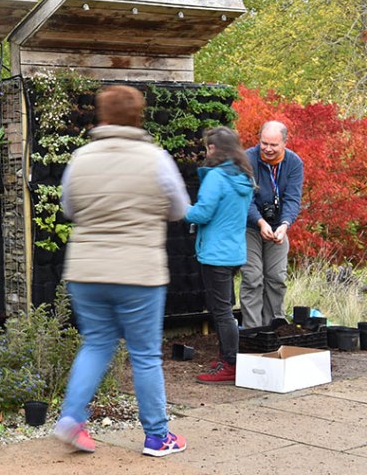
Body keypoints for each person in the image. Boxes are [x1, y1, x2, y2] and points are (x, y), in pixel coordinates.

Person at [52, 85, 190, 458]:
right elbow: (179, 208)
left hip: (87, 270)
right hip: (138, 272)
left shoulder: (81, 158)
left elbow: (69, 208)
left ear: (102, 115)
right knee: (144, 354)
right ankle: (157, 436)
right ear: (138, 116)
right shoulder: (156, 159)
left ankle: (71, 418)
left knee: (97, 343)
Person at [185, 127, 255, 384]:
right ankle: (226, 357)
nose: (206, 152)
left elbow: (202, 213)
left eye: (207, 148)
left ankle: (230, 364)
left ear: (214, 149)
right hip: (234, 252)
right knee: (224, 307)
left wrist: (181, 207)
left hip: (215, 254)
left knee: (221, 311)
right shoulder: (244, 177)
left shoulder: (216, 177)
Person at [241, 120, 304, 329]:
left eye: (273, 145)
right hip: (250, 226)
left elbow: (292, 199)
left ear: (285, 142)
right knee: (252, 277)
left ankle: (273, 328)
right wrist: (260, 221)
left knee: (276, 277)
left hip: (278, 227)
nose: (267, 149)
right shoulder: (247, 159)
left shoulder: (294, 163)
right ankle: (252, 330)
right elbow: (245, 199)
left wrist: (285, 224)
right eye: (264, 143)